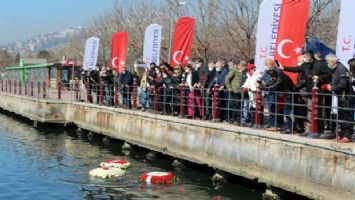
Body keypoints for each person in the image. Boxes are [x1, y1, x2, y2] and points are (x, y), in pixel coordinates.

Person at [323, 54, 354, 143]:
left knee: (347, 115)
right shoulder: (335, 69)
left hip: (346, 96)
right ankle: (342, 134)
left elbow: (343, 84)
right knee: (341, 115)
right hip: (341, 96)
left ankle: (347, 136)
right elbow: (336, 82)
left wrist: (332, 88)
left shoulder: (341, 69)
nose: (327, 64)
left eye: (328, 62)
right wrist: (330, 85)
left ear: (333, 62)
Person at [225, 60, 244, 125]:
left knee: (239, 106)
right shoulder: (234, 70)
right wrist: (229, 88)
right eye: (242, 66)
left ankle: (238, 119)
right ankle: (235, 119)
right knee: (235, 105)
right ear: (239, 65)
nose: (243, 67)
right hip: (234, 90)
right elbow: (227, 78)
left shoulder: (242, 71)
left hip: (240, 91)